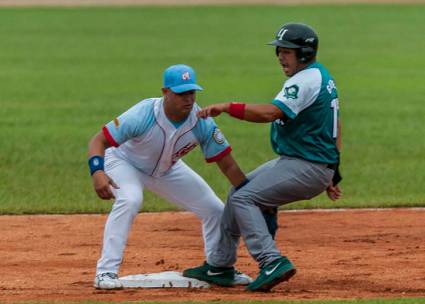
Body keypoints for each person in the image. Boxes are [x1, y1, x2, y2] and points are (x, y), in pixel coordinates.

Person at [183, 23, 343, 292]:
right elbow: (335, 125)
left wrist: (227, 107)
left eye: (287, 51)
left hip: (307, 165)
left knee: (247, 197)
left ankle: (271, 261)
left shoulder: (305, 80)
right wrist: (333, 170)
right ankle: (220, 265)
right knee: (238, 192)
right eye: (279, 50)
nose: (280, 55)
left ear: (303, 53)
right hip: (306, 163)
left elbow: (270, 113)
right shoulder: (319, 76)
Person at [88, 64, 252, 289]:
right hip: (124, 163)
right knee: (130, 199)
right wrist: (97, 171)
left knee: (215, 210)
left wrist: (250, 193)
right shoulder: (143, 113)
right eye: (181, 93)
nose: (188, 99)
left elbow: (228, 165)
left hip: (167, 170)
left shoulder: (201, 121)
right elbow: (98, 140)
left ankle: (218, 267)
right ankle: (105, 272)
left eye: (191, 93)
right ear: (165, 92)